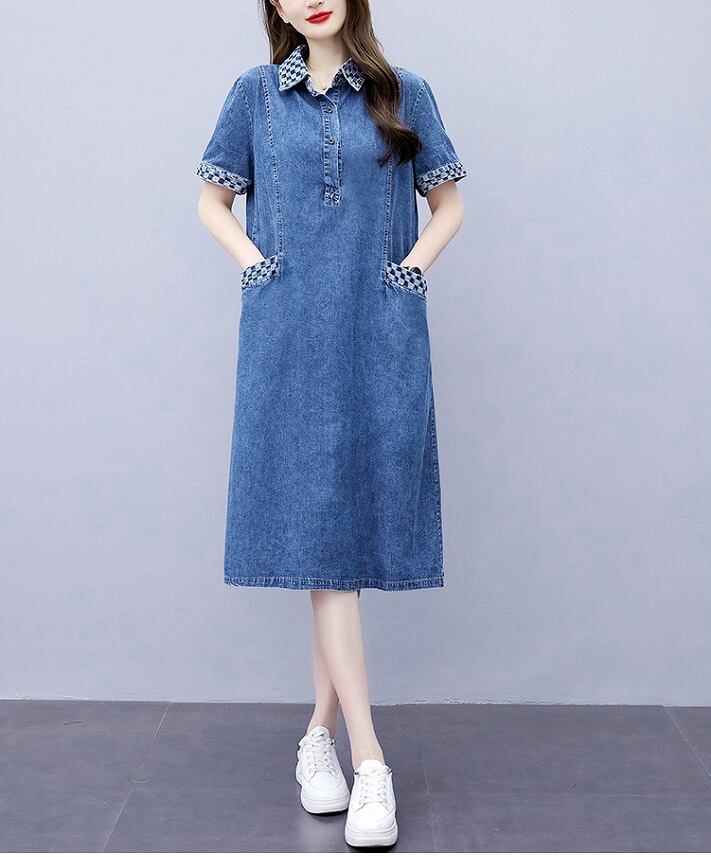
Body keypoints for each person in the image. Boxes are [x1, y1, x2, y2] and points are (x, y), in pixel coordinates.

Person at [195, 0, 466, 847]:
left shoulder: (403, 91)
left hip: (377, 328)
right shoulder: (253, 95)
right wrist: (257, 267)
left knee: (334, 545)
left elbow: (447, 205)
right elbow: (211, 201)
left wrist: (407, 272)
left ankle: (318, 737)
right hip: (287, 333)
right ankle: (369, 759)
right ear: (273, 6)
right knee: (325, 543)